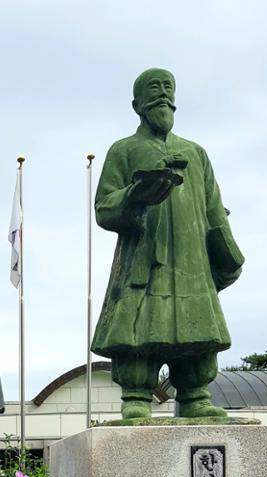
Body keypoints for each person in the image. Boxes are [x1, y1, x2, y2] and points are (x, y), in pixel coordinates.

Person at [92, 68, 244, 419]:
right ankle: (136, 398)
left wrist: (227, 255)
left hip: (191, 261)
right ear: (137, 104)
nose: (162, 95)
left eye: (168, 88)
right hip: (143, 259)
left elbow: (213, 210)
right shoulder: (124, 151)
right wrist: (136, 194)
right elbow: (103, 207)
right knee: (137, 329)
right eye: (153, 89)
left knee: (197, 331)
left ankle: (194, 395)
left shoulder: (196, 153)